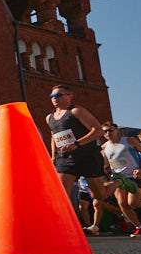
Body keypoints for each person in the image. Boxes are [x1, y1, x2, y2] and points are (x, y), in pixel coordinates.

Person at [46, 84, 109, 218]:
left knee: (99, 195)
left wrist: (77, 144)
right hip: (66, 159)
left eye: (58, 95)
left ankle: (119, 182)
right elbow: (54, 138)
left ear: (70, 96)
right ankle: (65, 225)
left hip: (88, 156)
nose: (54, 98)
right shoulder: (49, 117)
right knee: (61, 193)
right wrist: (53, 156)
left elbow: (98, 130)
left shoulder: (76, 111)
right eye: (52, 96)